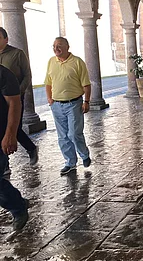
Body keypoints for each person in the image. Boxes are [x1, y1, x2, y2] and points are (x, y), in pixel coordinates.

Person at [45, 37, 91, 175]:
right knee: (63, 136)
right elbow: (48, 82)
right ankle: (70, 162)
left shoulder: (77, 62)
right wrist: (50, 100)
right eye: (54, 46)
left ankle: (84, 155)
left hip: (74, 103)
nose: (56, 48)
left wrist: (86, 101)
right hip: (57, 105)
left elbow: (86, 85)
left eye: (59, 45)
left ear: (67, 47)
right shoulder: (51, 61)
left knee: (74, 133)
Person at [0, 28, 39, 172]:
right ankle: (5, 165)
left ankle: (31, 148)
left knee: (13, 127)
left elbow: (27, 75)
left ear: (6, 39)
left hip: (13, 97)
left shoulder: (17, 54)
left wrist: (19, 92)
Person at [0, 64, 29, 231]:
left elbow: (14, 104)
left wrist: (10, 134)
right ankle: (17, 202)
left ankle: (18, 208)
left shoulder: (4, 74)